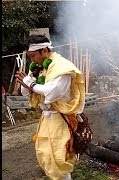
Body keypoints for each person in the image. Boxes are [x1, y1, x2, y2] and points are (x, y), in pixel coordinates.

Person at [15, 34, 85, 180]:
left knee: (60, 156)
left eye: (33, 55)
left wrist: (31, 84)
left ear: (45, 50)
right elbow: (25, 91)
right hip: (47, 117)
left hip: (62, 117)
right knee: (45, 153)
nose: (31, 59)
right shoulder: (37, 67)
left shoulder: (62, 67)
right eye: (29, 56)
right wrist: (27, 82)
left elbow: (52, 93)